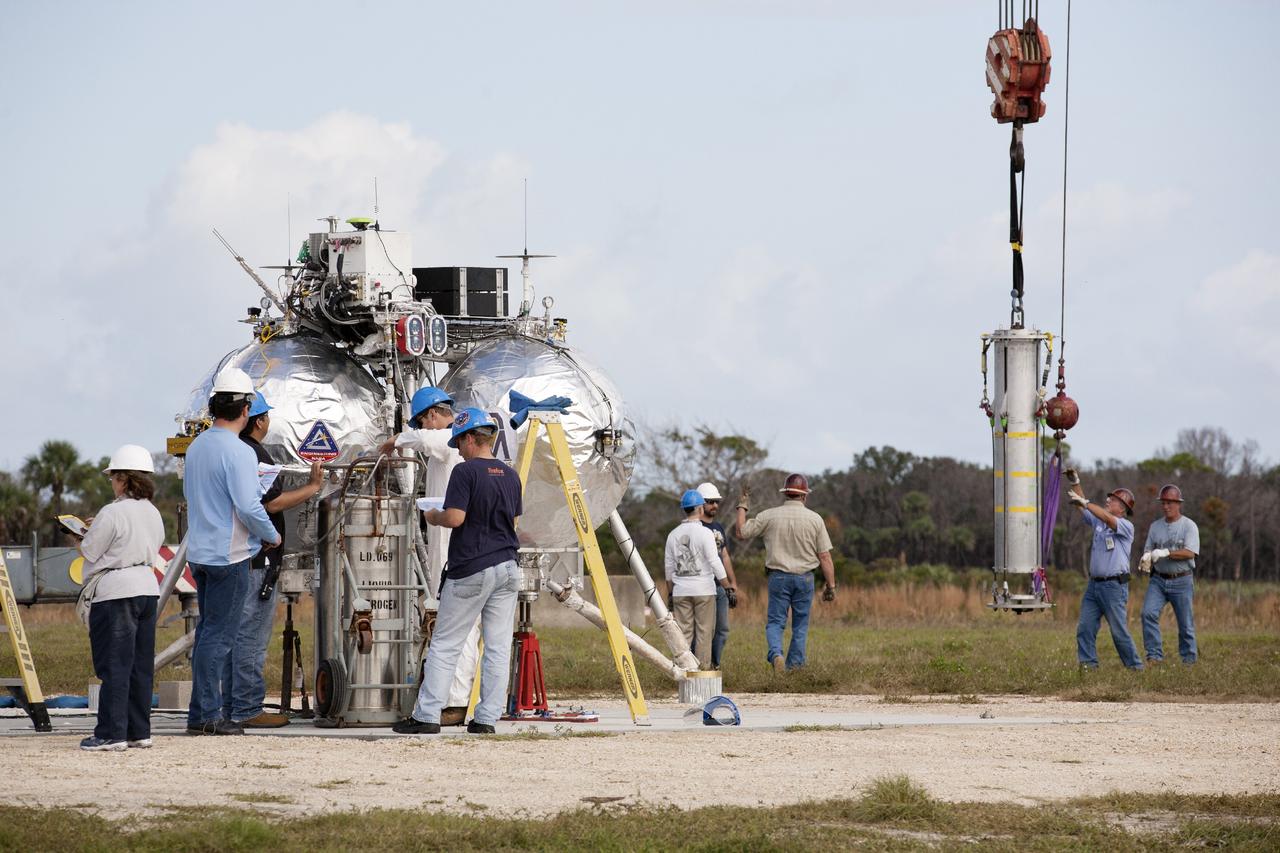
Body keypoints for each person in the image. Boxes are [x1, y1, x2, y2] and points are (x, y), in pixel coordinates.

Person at [393, 408, 522, 735]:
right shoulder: (510, 475)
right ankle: (486, 720)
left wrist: (432, 515)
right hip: (507, 567)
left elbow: (455, 519)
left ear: (469, 437)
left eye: (458, 441)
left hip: (472, 567)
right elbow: (515, 523)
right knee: (496, 647)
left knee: (446, 643)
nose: (457, 449)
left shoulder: (465, 473)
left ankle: (426, 716)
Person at [183, 367, 282, 735]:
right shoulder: (240, 453)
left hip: (201, 555)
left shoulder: (197, 447)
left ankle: (202, 712)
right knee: (219, 638)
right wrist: (271, 535)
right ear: (245, 410)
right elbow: (248, 506)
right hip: (231, 556)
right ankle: (208, 716)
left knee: (209, 633)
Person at [377, 386, 478, 727]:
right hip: (449, 544)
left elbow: (423, 440)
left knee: (456, 626)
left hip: (453, 546)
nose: (425, 427)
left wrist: (395, 441)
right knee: (457, 626)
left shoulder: (448, 439)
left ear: (433, 415)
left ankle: (456, 703)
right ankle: (459, 698)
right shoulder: (452, 447)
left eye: (423, 421)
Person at [223, 392, 324, 728]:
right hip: (258, 561)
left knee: (231, 636)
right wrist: (312, 487)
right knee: (251, 636)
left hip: (232, 558)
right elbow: (270, 503)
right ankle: (248, 709)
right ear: (260, 420)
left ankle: (228, 706)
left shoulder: (229, 451)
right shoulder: (254, 454)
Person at [76, 445, 165, 751]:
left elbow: (90, 550)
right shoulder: (152, 512)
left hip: (116, 591)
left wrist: (79, 535)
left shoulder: (111, 512)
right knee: (141, 664)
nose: (111, 482)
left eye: (113, 476)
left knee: (115, 663)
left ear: (123, 478)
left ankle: (110, 734)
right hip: (147, 588)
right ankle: (139, 731)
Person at [733, 474, 836, 673]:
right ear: (804, 496)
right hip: (805, 578)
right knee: (800, 626)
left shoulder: (769, 515)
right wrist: (831, 586)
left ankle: (776, 655)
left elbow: (741, 532)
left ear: (786, 494)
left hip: (778, 577)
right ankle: (795, 668)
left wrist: (742, 505)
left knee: (775, 623)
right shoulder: (815, 519)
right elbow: (825, 557)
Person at [1064, 469, 1144, 670]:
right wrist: (1075, 482)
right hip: (1094, 586)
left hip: (1114, 587)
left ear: (1123, 508)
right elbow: (1085, 506)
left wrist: (1085, 503)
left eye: (1113, 500)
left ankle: (1135, 668)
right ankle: (1088, 666)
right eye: (1108, 499)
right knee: (1085, 628)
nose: (1108, 501)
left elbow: (1101, 514)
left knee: (1118, 631)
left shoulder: (1126, 526)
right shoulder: (1099, 522)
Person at [663, 489, 731, 669]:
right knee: (704, 633)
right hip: (704, 591)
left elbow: (668, 569)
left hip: (680, 591)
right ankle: (702, 671)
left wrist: (670, 593)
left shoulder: (673, 535)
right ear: (701, 509)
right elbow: (715, 562)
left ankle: (684, 671)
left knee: (684, 633)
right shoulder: (705, 534)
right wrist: (727, 586)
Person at [1138, 484, 1200, 665]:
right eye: (1163, 503)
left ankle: (1189, 660)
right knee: (1147, 613)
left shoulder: (1189, 526)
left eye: (1170, 503)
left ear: (1178, 503)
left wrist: (1166, 553)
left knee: (1185, 624)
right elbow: (1149, 548)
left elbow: (1190, 552)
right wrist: (1147, 557)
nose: (1166, 506)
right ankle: (1154, 656)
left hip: (1181, 580)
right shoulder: (1155, 526)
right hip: (1158, 580)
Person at [695, 482, 738, 669]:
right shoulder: (695, 527)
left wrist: (732, 583)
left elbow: (725, 556)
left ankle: (715, 663)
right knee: (702, 630)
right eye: (710, 502)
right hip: (702, 586)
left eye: (717, 502)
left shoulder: (719, 527)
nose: (715, 506)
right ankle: (696, 664)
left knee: (722, 628)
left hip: (720, 586)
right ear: (700, 503)